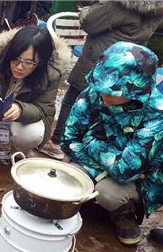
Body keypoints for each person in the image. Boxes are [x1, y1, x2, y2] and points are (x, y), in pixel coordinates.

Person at [61, 42, 163, 245]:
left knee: (108, 192)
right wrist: (104, 161)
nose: (104, 95)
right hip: (109, 164)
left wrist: (89, 141)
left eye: (114, 91)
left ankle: (125, 214)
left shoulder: (156, 114)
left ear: (137, 89)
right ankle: (92, 199)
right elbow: (68, 140)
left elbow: (126, 170)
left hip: (143, 179)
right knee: (70, 174)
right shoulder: (96, 92)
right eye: (101, 86)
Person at [39, 1, 163, 159]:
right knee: (109, 111)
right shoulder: (157, 8)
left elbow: (90, 21)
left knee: (73, 100)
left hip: (102, 62)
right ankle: (97, 147)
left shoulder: (120, 4)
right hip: (129, 67)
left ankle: (56, 142)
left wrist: (85, 11)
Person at [0, 26, 71, 156]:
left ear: (42, 62)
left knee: (33, 133)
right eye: (15, 60)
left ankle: (19, 152)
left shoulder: (51, 73)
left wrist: (21, 110)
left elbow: (44, 109)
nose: (20, 67)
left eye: (29, 62)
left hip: (21, 120)